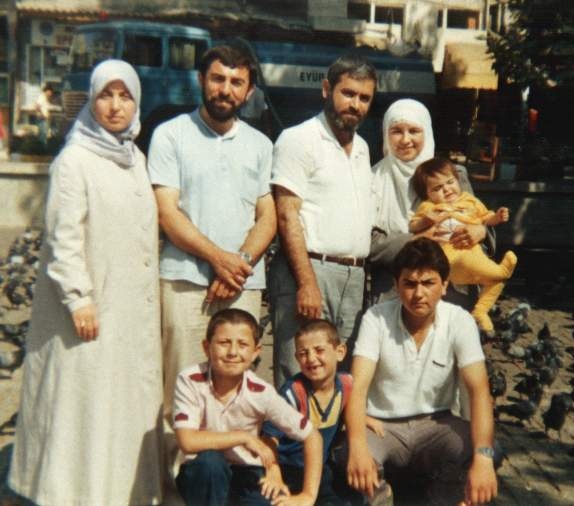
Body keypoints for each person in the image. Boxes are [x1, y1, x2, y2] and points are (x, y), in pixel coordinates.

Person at [9, 60, 163, 505]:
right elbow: (63, 237)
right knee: (82, 405)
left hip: (127, 306)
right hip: (86, 310)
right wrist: (79, 299)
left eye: (124, 96)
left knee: (116, 404)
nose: (115, 106)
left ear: (137, 102)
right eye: (105, 95)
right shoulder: (74, 160)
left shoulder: (134, 158)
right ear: (91, 101)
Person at [148, 45, 276, 431]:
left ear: (249, 91)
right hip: (185, 282)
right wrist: (220, 260)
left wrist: (238, 265)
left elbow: (268, 216)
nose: (226, 89)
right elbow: (167, 212)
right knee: (182, 390)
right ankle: (178, 469)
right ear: (201, 80)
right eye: (218, 79)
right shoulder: (170, 135)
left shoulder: (260, 144)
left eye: (237, 82)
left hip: (242, 285)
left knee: (239, 393)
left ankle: (234, 465)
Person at [345, 238, 498, 506]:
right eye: (409, 284)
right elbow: (357, 387)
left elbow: (479, 391)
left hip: (437, 423)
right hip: (382, 426)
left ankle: (441, 499)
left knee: (488, 452)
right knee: (346, 454)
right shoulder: (376, 318)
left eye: (428, 283)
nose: (418, 294)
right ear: (396, 285)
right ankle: (380, 497)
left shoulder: (460, 320)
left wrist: (483, 458)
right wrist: (357, 447)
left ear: (444, 285)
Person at [269, 54, 377, 386]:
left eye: (364, 98)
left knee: (337, 378)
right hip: (310, 271)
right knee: (298, 374)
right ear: (327, 89)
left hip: (353, 276)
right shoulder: (298, 139)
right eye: (348, 93)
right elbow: (287, 215)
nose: (355, 105)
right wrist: (307, 283)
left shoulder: (362, 148)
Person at [173, 308, 323, 506]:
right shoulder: (190, 379)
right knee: (211, 463)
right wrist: (244, 437)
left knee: (273, 501)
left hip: (247, 471)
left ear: (255, 352)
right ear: (206, 347)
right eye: (224, 343)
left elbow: (312, 436)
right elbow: (187, 441)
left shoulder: (261, 392)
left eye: (243, 344)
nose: (233, 352)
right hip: (203, 473)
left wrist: (308, 495)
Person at [369, 99, 488, 305]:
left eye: (414, 131)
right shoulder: (372, 179)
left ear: (427, 132)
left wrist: (482, 231)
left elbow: (478, 216)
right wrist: (416, 240)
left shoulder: (452, 174)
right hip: (393, 291)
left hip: (451, 289)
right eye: (396, 131)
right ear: (386, 134)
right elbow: (367, 243)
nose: (405, 140)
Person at [263, 320, 374, 505]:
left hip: (320, 469)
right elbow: (269, 437)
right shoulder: (293, 393)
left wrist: (366, 419)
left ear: (340, 352)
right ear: (297, 358)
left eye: (319, 350)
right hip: (288, 468)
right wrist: (273, 471)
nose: (311, 358)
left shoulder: (346, 385)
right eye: (303, 353)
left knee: (349, 500)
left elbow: (351, 411)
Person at [409, 157, 517, 333]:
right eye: (437, 188)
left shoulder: (470, 200)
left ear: (457, 180)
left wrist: (497, 217)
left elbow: (486, 218)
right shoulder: (429, 206)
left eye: (450, 182)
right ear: (427, 194)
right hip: (448, 255)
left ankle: (481, 311)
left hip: (472, 252)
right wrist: (425, 221)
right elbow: (413, 225)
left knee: (497, 280)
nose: (446, 189)